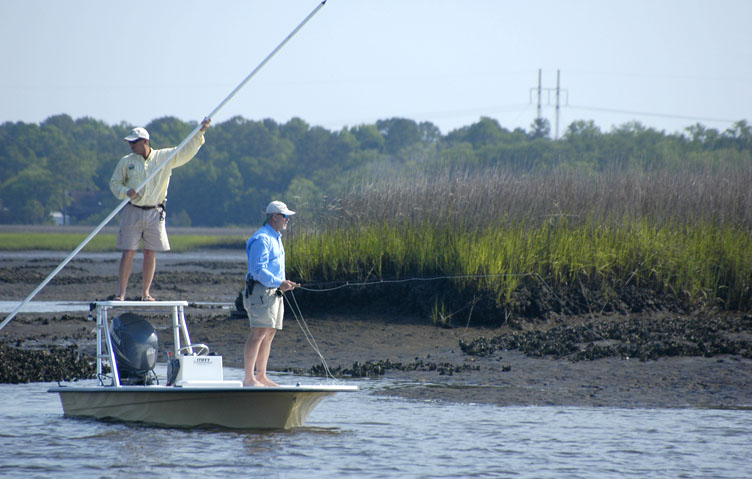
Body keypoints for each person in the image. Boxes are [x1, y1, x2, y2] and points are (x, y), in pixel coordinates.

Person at [109, 118, 211, 301]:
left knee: (150, 251)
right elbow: (115, 183)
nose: (131, 145)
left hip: (155, 212)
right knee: (128, 251)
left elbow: (186, 151)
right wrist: (126, 191)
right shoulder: (127, 161)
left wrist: (200, 132)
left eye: (134, 142)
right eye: (130, 142)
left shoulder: (164, 157)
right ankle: (121, 293)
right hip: (132, 210)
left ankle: (145, 293)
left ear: (145, 142)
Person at [243, 200, 300, 387]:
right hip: (260, 291)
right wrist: (279, 282)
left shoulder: (276, 236)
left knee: (270, 332)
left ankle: (261, 376)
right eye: (285, 216)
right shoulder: (262, 238)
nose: (287, 220)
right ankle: (249, 379)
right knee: (258, 332)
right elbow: (258, 270)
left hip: (274, 292)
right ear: (274, 217)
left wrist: (283, 284)